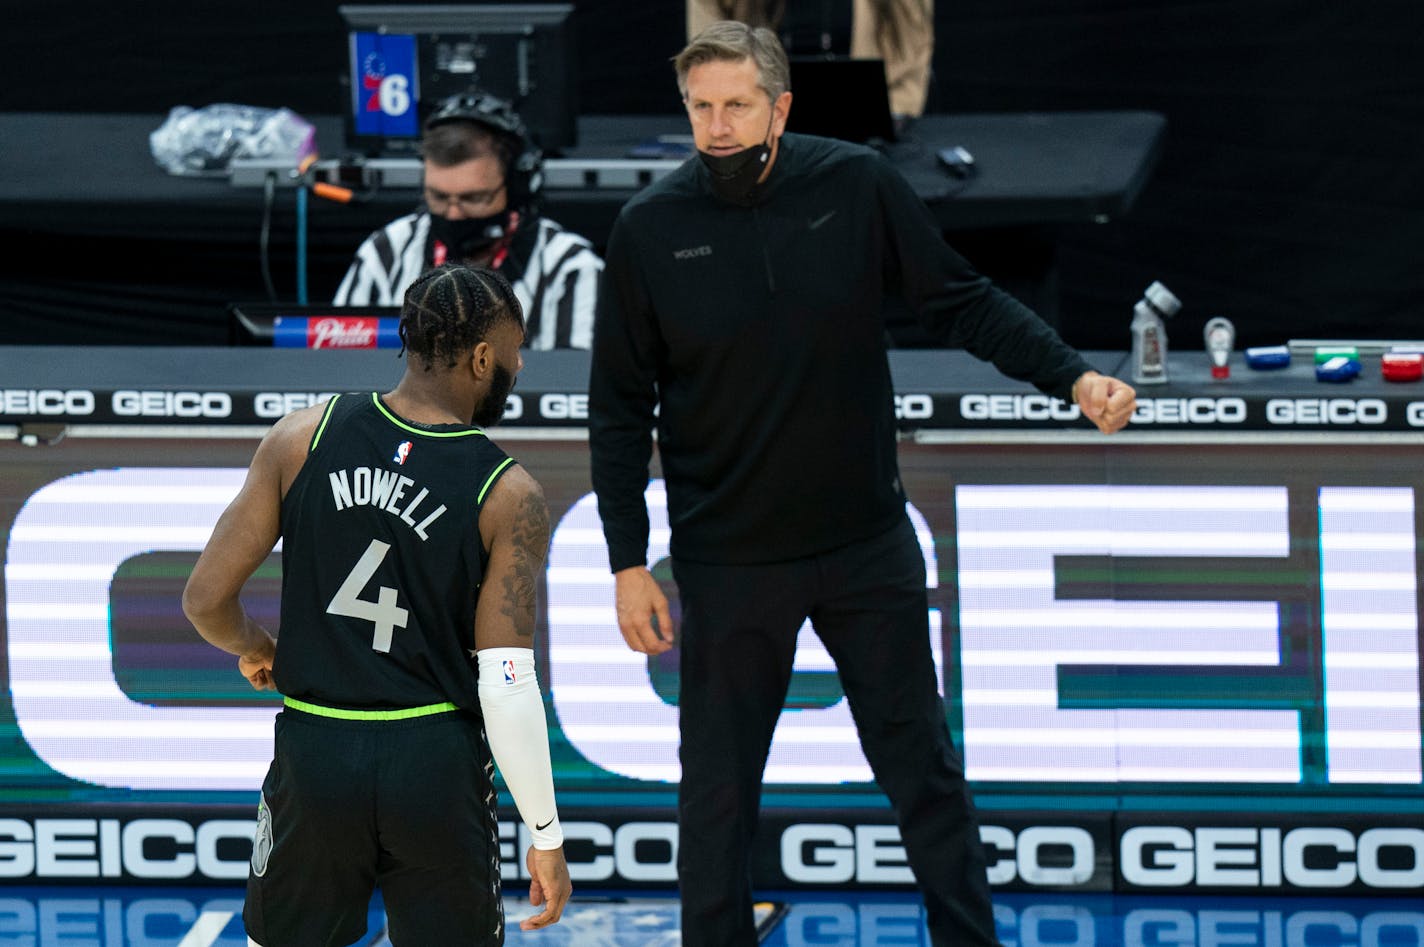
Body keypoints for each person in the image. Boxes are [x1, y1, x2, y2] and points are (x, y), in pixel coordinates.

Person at [587, 21, 1136, 947]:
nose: (717, 126)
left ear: (780, 106)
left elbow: (961, 298)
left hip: (864, 546)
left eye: (737, 105)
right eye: (701, 107)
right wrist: (626, 561)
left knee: (922, 771)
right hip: (729, 561)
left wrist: (1071, 375)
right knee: (717, 792)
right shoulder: (649, 229)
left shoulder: (854, 184)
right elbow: (618, 406)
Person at [184, 263, 572, 946]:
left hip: (316, 749)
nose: (516, 365)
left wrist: (255, 645)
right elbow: (506, 681)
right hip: (433, 759)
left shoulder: (300, 437)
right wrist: (544, 833)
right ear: (484, 357)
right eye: (515, 350)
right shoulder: (510, 493)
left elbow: (206, 598)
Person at [335, 91, 603, 351]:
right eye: (438, 197)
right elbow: (337, 363)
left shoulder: (570, 268)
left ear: (516, 187)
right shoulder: (386, 253)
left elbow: (575, 386)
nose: (452, 214)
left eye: (472, 199)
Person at [687, 0, 935, 124]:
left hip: (867, 140)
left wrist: (890, 117)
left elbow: (912, 65)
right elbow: (709, 59)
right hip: (757, 131)